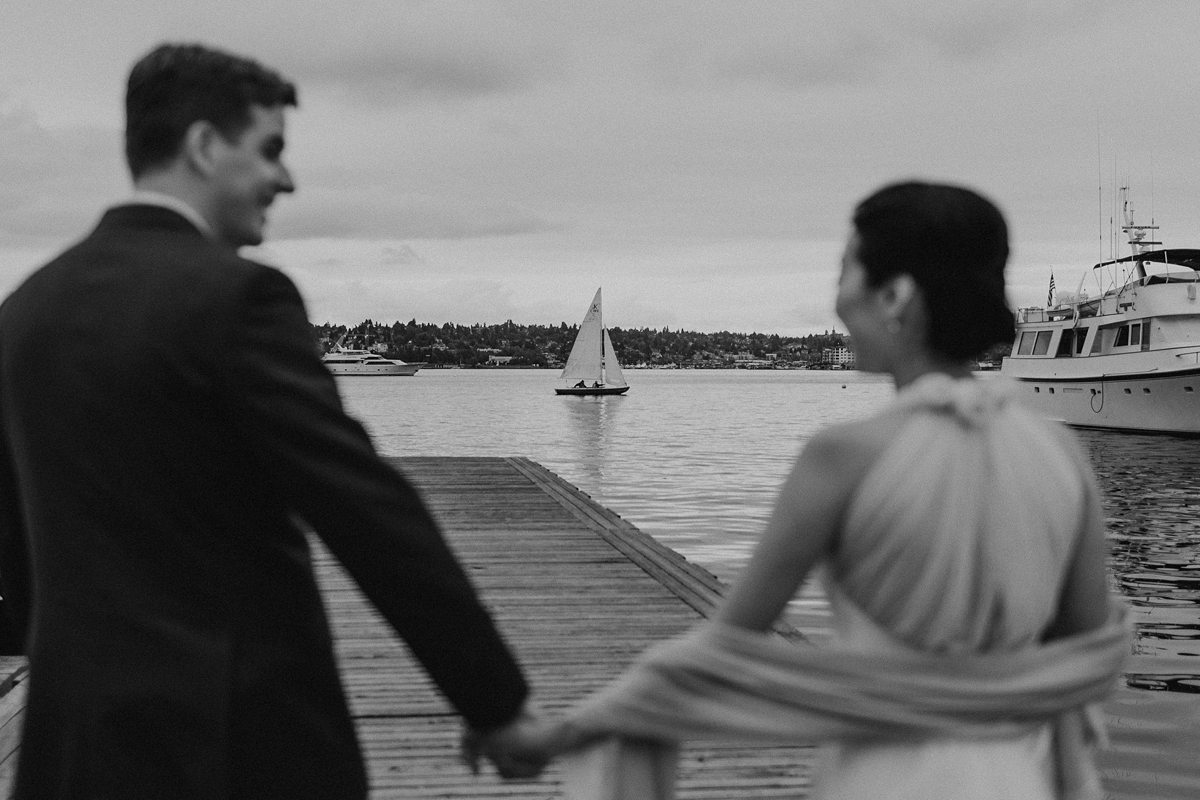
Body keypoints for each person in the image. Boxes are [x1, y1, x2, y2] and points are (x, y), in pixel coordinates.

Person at [0, 42, 545, 798]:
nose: (285, 178)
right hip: (237, 747)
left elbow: (15, 547)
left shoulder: (26, 311)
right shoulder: (235, 300)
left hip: (74, 752)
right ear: (202, 145)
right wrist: (495, 702)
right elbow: (368, 512)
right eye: (270, 150)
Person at [523, 181, 1128, 799]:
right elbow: (1087, 651)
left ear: (895, 295)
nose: (838, 299)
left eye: (846, 272)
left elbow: (721, 651)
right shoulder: (1059, 454)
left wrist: (567, 730)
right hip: (1019, 779)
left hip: (889, 779)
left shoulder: (844, 456)